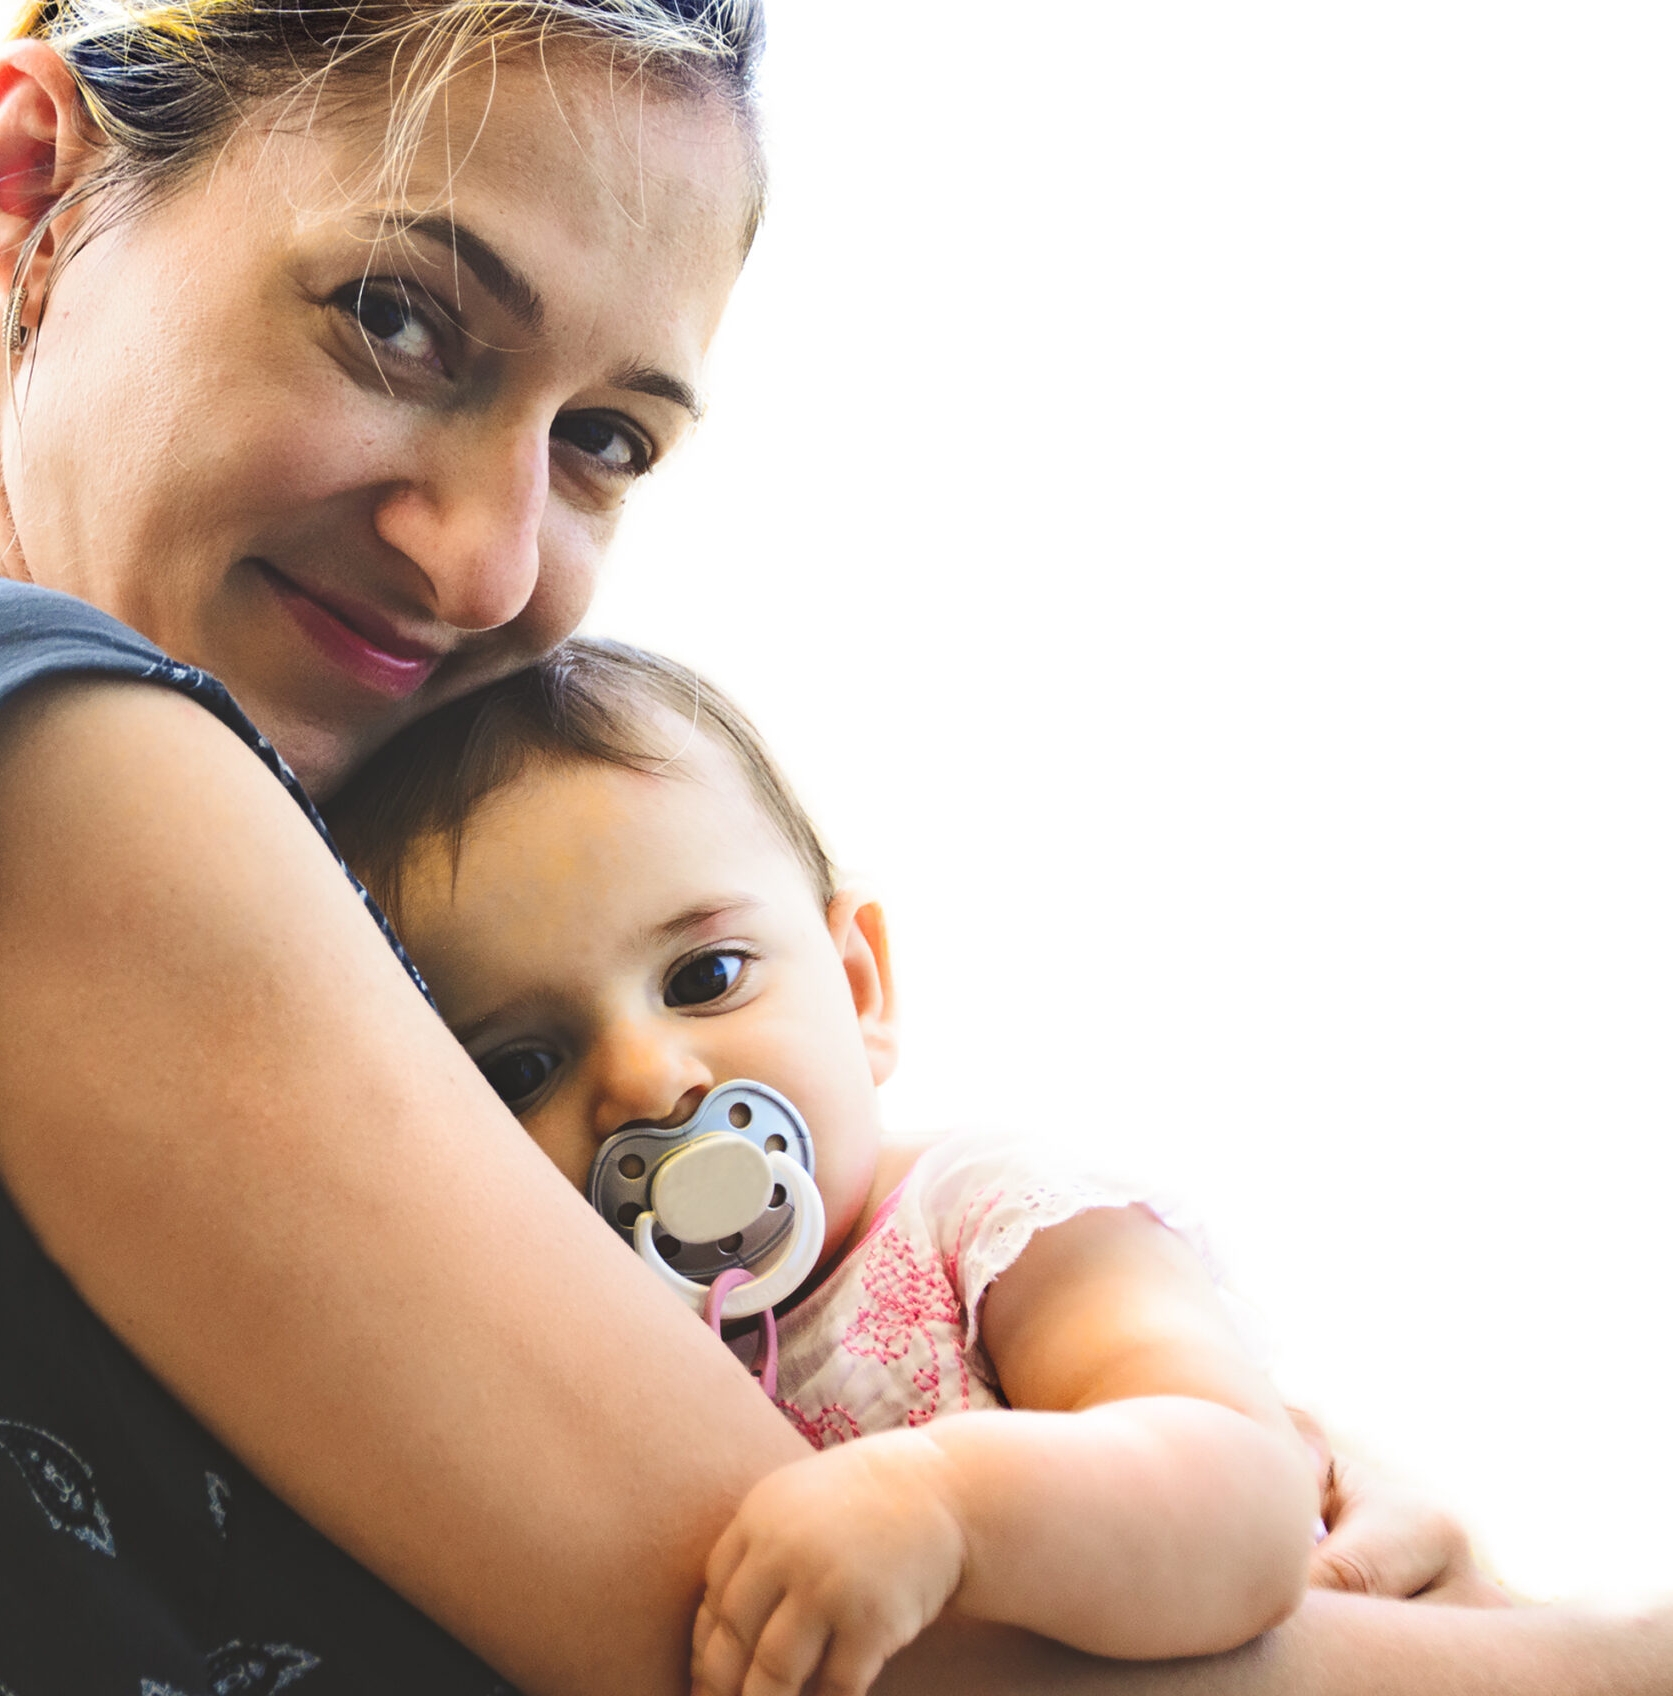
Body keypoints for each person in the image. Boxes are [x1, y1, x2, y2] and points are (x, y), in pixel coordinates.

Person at [0, 5, 1673, 1695]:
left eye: (603, 439)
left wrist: (1178, 1479)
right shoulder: (55, 767)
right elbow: (868, 1666)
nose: (488, 552)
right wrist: (1582, 1649)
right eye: (398, 319)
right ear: (38, 182)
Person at [326, 637, 1321, 1694]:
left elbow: (1250, 1501)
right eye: (523, 1065)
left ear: (858, 987)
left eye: (703, 975)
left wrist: (945, 1508)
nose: (649, 1080)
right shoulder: (547, 1362)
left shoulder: (993, 1221)